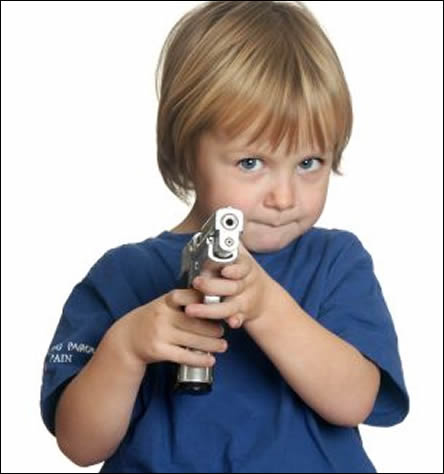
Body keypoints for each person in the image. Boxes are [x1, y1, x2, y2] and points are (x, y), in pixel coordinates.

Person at [40, 1, 409, 472]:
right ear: (187, 151)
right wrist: (125, 349)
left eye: (309, 162)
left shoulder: (336, 261)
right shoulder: (124, 274)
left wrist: (267, 307)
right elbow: (80, 445)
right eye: (251, 163)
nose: (284, 197)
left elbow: (355, 401)